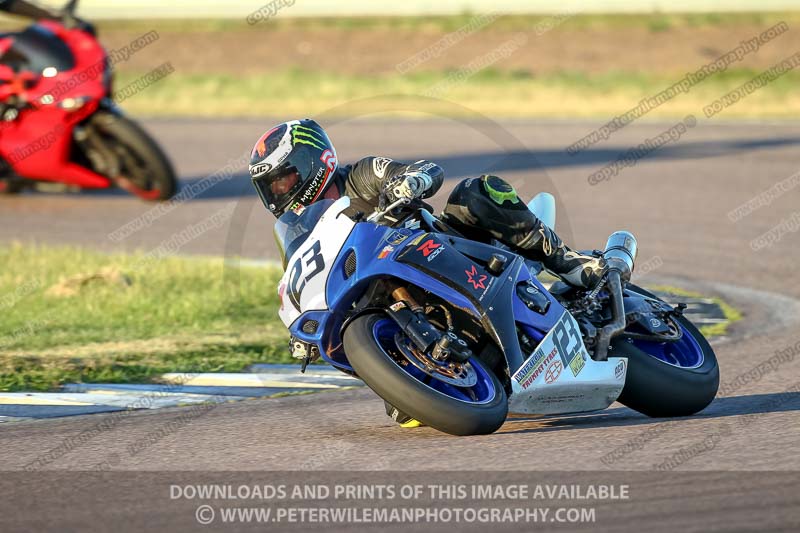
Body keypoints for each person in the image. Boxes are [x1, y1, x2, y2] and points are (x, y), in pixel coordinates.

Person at [249, 119, 606, 426]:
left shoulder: (361, 176)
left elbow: (422, 170)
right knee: (405, 413)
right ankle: (448, 368)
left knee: (477, 192)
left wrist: (411, 181)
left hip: (448, 250)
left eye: (283, 180)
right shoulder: (296, 233)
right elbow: (304, 278)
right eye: (269, 188)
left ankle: (572, 264)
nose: (277, 193)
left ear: (313, 163)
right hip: (387, 299)